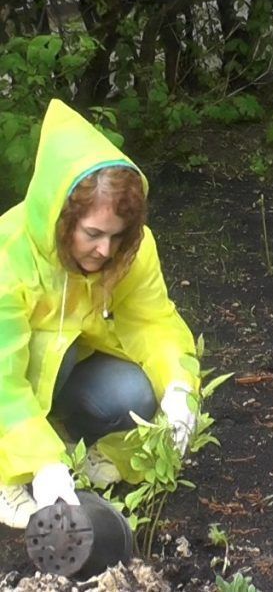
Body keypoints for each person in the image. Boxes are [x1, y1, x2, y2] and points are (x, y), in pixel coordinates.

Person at [0, 99, 200, 529]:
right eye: (92, 234)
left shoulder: (131, 250)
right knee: (44, 351)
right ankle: (8, 471)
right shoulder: (8, 254)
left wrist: (181, 385)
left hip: (66, 368)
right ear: (62, 219)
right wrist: (41, 464)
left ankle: (66, 444)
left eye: (116, 235)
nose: (105, 250)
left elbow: (153, 321)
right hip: (14, 379)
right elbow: (3, 378)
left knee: (134, 394)